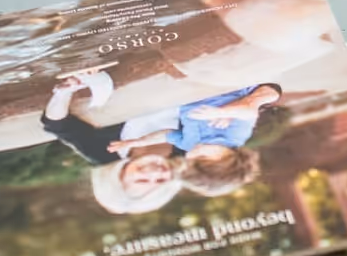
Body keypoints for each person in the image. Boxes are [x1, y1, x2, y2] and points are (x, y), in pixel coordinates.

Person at [40, 69, 282, 215]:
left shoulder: (104, 153)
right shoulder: (195, 148)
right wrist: (246, 104)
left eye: (142, 179)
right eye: (160, 181)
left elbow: (56, 125)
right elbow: (271, 89)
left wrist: (63, 92)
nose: (154, 173)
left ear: (118, 175)